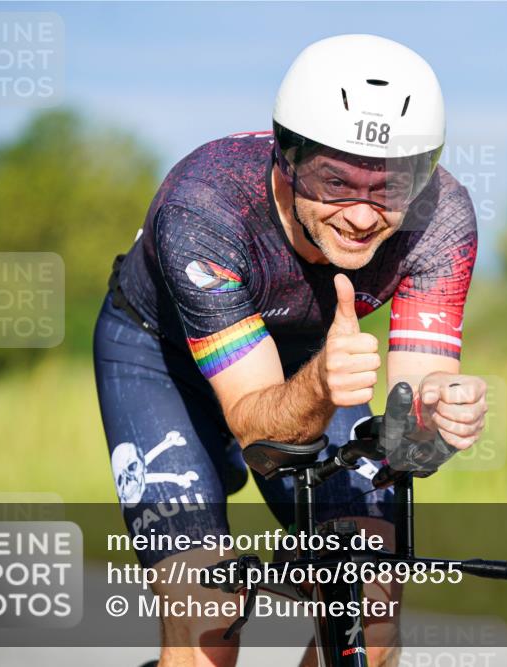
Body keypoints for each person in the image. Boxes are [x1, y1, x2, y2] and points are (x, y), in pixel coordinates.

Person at [93, 33, 487, 667]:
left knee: (368, 606)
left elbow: (411, 423)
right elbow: (255, 423)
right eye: (336, 183)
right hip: (162, 355)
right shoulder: (204, 203)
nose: (363, 217)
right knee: (208, 614)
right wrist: (325, 387)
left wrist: (436, 428)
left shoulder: (440, 219)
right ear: (286, 157)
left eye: (389, 187)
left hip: (315, 356)